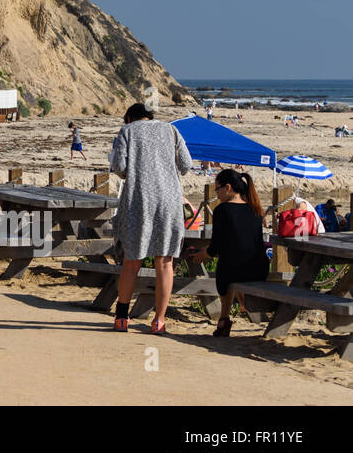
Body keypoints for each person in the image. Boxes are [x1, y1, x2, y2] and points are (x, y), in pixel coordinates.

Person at [108, 102, 193, 335]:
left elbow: (119, 166)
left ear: (130, 118)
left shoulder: (127, 131)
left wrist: (133, 171)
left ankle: (122, 318)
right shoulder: (172, 130)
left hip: (138, 200)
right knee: (165, 262)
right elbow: (186, 165)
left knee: (132, 261)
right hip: (169, 201)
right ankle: (159, 320)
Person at [189, 169, 269, 337]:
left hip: (235, 268)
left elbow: (217, 245)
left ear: (227, 187)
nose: (216, 194)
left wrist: (204, 253)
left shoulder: (222, 210)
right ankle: (241, 305)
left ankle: (225, 318)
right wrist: (209, 251)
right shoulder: (255, 210)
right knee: (233, 263)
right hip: (259, 267)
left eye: (217, 189)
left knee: (226, 267)